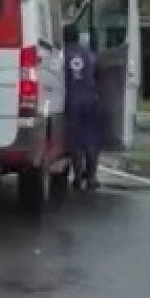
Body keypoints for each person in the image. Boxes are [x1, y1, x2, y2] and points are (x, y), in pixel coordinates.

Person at [63, 23, 101, 190]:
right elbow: (96, 74)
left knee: (75, 141)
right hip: (90, 100)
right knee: (91, 139)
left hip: (72, 101)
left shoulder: (63, 55)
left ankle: (78, 177)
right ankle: (92, 178)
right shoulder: (89, 54)